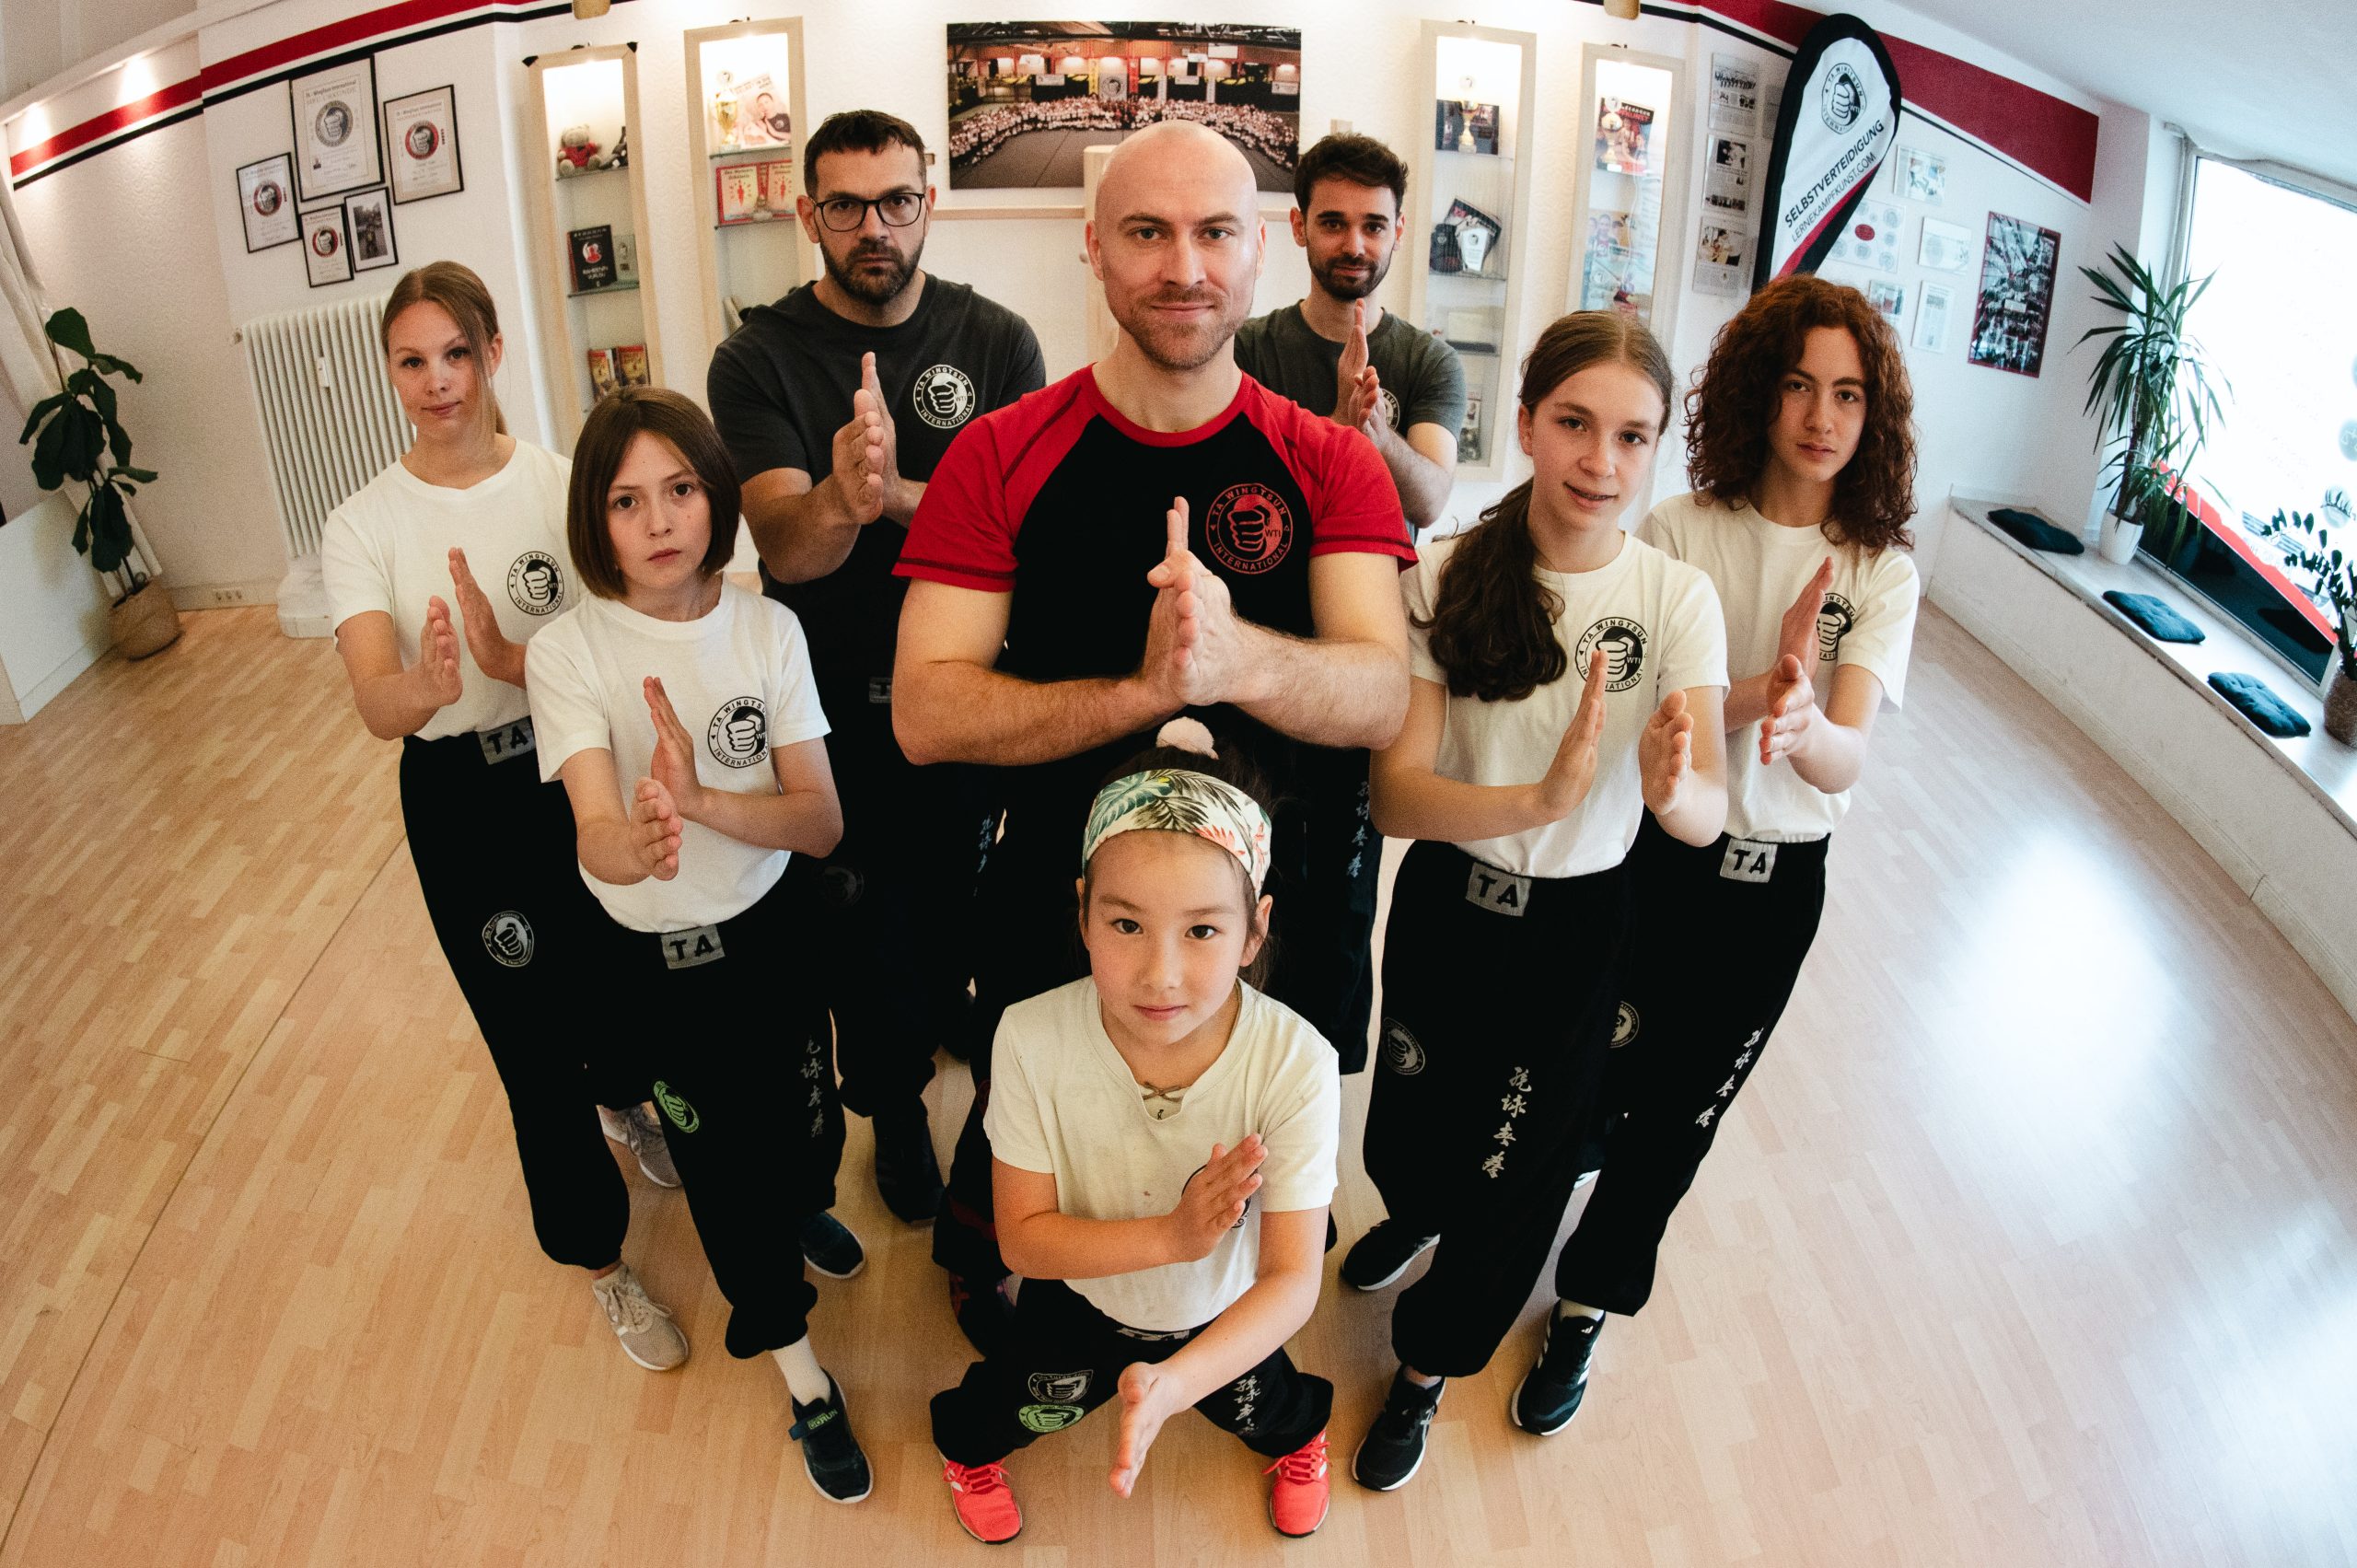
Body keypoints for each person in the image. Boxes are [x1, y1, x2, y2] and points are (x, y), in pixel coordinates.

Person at [892, 120, 1413, 1349]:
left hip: (1281, 900)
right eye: (1147, 232)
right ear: (1094, 247)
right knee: (1031, 1110)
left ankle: (1232, 1298)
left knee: (1255, 1122)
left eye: (1214, 232)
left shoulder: (1332, 463)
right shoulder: (999, 453)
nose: (1183, 266)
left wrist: (1236, 662)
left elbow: (1381, 696)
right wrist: (1139, 689)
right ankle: (996, 1255)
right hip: (1059, 893)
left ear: (1259, 251)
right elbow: (924, 711)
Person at [1343, 312, 1730, 1491]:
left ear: (1654, 449)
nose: (1600, 462)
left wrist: (1671, 788)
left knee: (1516, 1172)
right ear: (1523, 423)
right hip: (1448, 904)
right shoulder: (1446, 574)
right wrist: (1537, 796)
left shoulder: (1675, 598)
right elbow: (1396, 796)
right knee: (1410, 1132)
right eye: (1573, 423)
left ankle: (1425, 1367)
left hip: (1579, 925)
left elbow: (1706, 809)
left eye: (1632, 436)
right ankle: (1415, 1209)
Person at [1535, 275, 1921, 1433]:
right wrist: (1762, 691)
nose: (1820, 415)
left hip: (1773, 890)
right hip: (1655, 861)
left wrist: (1805, 725)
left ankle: (1586, 1302)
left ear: (1873, 416)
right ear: (1758, 390)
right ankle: (1489, 1216)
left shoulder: (1879, 570)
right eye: (1798, 384)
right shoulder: (1681, 530)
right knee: (1584, 1070)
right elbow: (1664, 707)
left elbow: (1847, 754)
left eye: (1847, 394)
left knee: (1679, 1118)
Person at [320, 261, 688, 1377]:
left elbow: (612, 638)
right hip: (462, 800)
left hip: (572, 764)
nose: (437, 381)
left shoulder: (565, 485)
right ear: (392, 373)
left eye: (454, 354)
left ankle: (626, 1099)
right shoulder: (361, 523)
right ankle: (598, 1255)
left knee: (618, 977)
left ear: (491, 352)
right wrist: (430, 684)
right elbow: (376, 702)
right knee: (528, 1032)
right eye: (412, 361)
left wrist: (510, 660)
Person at [524, 388, 873, 1504]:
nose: (660, 519)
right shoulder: (567, 650)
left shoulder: (769, 628)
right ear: (595, 519)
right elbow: (593, 833)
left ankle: (802, 1198)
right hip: (658, 970)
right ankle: (802, 1372)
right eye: (626, 500)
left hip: (776, 935)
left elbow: (819, 820)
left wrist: (706, 802)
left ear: (716, 494)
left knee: (809, 1130)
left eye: (679, 488)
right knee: (724, 1180)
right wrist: (639, 840)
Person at [708, 109, 1046, 1226]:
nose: (875, 228)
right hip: (832, 704)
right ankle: (893, 1108)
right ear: (808, 214)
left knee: (959, 898)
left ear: (927, 201)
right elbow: (786, 545)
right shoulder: (756, 358)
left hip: (970, 685)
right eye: (847, 206)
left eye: (896, 201)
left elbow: (1023, 533)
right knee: (865, 930)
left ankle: (941, 1016)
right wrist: (841, 500)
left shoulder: (998, 342)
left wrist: (896, 495)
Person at [929, 724, 1339, 1543]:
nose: (1161, 973)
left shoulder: (1297, 1062)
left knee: (1273, 1406)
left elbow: (1291, 1280)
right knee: (1007, 1403)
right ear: (1082, 910)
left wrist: (1175, 1383)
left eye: (1202, 930)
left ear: (1255, 929)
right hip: (1083, 1294)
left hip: (1224, 1309)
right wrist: (1173, 1236)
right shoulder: (1029, 1038)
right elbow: (1025, 1241)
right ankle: (966, 1453)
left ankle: (1298, 1444)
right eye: (1126, 925)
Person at [1234, 131, 1468, 1064]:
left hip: (1366, 661)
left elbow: (1431, 496)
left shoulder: (1426, 362)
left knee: (1340, 894)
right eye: (1333, 222)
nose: (1354, 243)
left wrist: (1369, 431)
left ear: (1399, 232)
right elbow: (1229, 492)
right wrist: (1327, 436)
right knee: (1245, 873)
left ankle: (1319, 1091)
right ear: (1298, 228)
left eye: (1373, 224)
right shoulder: (1250, 347)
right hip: (1254, 651)